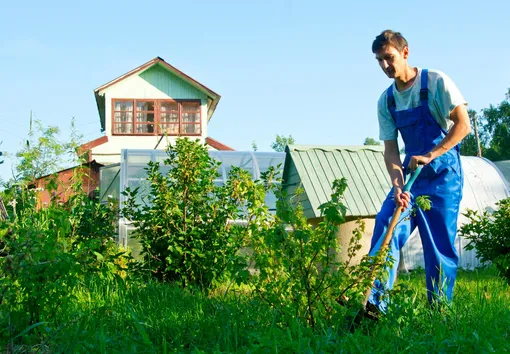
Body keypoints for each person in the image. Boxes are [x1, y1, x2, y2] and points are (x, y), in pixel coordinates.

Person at [367, 30, 471, 315]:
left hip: (443, 178)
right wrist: (398, 186)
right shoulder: (386, 101)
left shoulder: (435, 82)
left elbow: (463, 125)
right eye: (379, 61)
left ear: (405, 52)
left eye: (389, 58)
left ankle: (439, 313)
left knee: (438, 248)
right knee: (385, 228)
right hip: (410, 182)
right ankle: (374, 306)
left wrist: (431, 154)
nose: (385, 65)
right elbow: (391, 150)